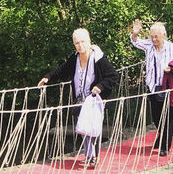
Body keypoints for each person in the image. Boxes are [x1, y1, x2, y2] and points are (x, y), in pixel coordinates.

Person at [38, 28, 119, 168]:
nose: (80, 45)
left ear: (89, 42)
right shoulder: (74, 58)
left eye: (83, 42)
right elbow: (62, 69)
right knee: (83, 128)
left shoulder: (98, 59)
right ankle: (89, 155)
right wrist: (47, 77)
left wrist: (100, 86)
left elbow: (113, 76)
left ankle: (94, 156)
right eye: (77, 43)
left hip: (94, 99)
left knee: (92, 128)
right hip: (79, 100)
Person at [130, 19, 173, 156]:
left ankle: (165, 146)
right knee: (156, 117)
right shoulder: (149, 45)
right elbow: (136, 42)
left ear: (163, 35)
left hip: (168, 88)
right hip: (152, 87)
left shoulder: (172, 48)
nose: (154, 39)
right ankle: (161, 136)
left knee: (168, 117)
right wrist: (135, 33)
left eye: (156, 36)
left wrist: (172, 67)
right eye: (152, 36)